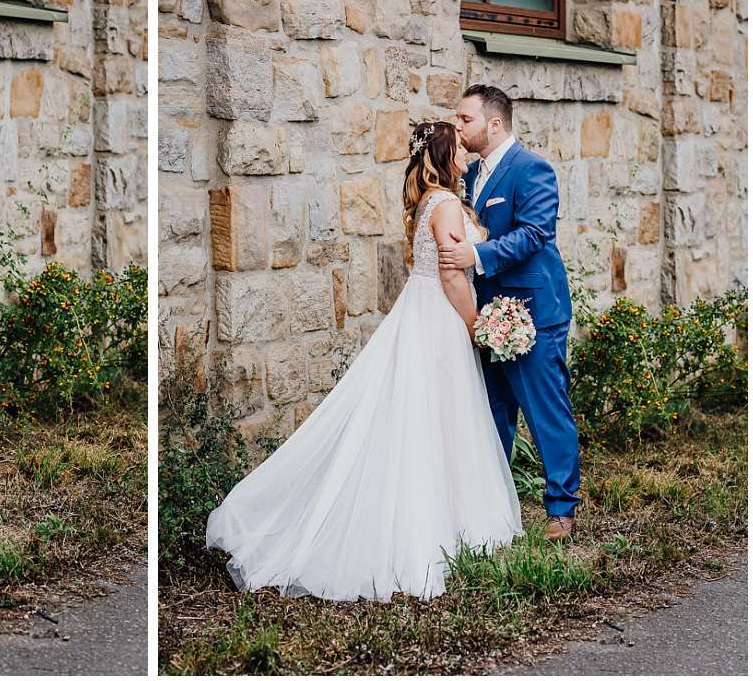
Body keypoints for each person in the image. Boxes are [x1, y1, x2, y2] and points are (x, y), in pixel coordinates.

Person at [206, 121, 521, 602]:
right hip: (438, 318)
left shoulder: (426, 203)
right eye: (458, 147)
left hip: (417, 315)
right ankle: (441, 528)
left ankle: (441, 518)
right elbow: (453, 275)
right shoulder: (448, 204)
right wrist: (478, 325)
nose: (466, 152)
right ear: (442, 153)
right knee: (442, 421)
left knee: (415, 421)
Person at [443, 84, 581, 542]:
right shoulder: (472, 174)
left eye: (465, 120)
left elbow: (536, 233)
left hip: (533, 311)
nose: (458, 127)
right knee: (492, 413)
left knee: (545, 411)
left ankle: (561, 509)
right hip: (487, 314)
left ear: (494, 123)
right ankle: (494, 509)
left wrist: (476, 256)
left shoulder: (531, 169)